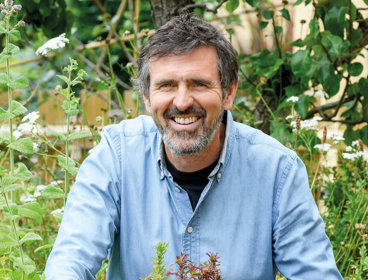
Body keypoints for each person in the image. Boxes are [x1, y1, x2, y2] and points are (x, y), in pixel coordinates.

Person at [44, 14, 343, 279]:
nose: (183, 101)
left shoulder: (278, 172)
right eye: (167, 85)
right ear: (147, 97)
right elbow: (71, 260)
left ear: (229, 92)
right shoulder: (116, 158)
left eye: (199, 84)